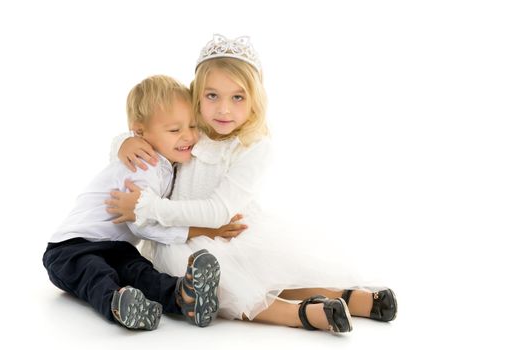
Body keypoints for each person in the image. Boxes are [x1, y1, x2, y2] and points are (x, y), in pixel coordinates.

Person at [107, 35, 397, 335]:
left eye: (237, 97)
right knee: (227, 286)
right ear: (196, 95)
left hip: (233, 230)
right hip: (183, 241)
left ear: (254, 100)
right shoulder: (191, 128)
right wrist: (123, 141)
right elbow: (151, 131)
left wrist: (147, 206)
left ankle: (350, 297)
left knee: (272, 271)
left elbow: (218, 211)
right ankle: (304, 314)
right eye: (211, 96)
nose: (223, 110)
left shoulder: (253, 145)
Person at [42, 75, 236, 331]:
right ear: (141, 133)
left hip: (118, 247)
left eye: (192, 125)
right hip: (72, 247)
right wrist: (207, 231)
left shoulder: (167, 163)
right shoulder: (144, 166)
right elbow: (144, 227)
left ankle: (185, 296)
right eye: (175, 130)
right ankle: (118, 304)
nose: (188, 136)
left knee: (140, 271)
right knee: (95, 273)